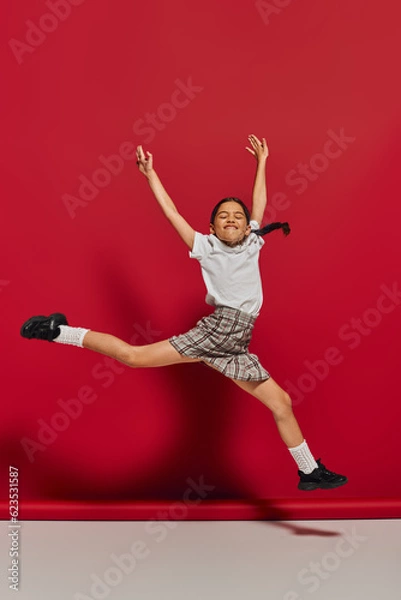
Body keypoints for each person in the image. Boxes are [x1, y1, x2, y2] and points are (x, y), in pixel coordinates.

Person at [20, 134, 347, 491]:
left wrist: (262, 162)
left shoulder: (253, 242)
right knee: (133, 356)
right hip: (219, 332)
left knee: (281, 403)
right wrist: (150, 176)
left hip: (236, 343)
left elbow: (260, 203)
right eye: (223, 216)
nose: (232, 219)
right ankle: (58, 331)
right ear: (212, 228)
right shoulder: (204, 247)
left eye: (238, 216)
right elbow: (172, 212)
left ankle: (308, 471)